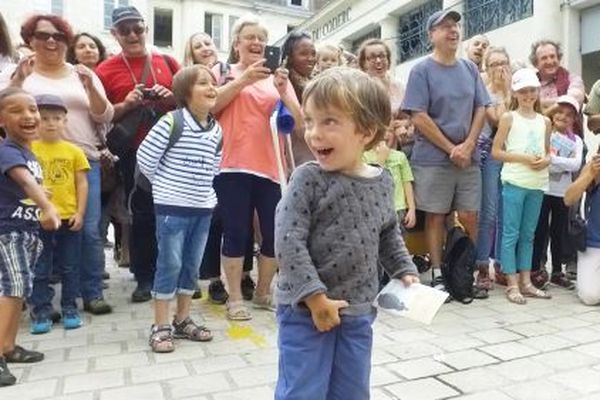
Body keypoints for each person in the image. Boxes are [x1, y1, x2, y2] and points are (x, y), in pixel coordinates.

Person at [274, 67, 419, 399]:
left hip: (357, 310)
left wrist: (404, 270)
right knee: (303, 390)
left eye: (329, 122)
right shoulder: (307, 179)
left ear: (366, 131)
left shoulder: (382, 180)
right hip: (304, 310)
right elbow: (287, 239)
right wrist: (314, 296)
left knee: (352, 391)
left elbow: (387, 233)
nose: (313, 134)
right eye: (310, 121)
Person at [11, 13, 114, 314]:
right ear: (30, 40)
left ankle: (92, 293)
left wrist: (91, 87)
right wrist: (17, 81)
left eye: (58, 36)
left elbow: (104, 116)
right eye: (43, 36)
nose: (51, 41)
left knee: (89, 229)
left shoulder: (81, 72)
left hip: (82, 160)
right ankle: (37, 301)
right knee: (36, 230)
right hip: (33, 163)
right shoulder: (23, 73)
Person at [212, 16, 301, 320]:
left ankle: (263, 292)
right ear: (236, 44)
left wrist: (284, 89)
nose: (256, 43)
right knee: (235, 231)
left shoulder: (276, 79)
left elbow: (300, 122)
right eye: (249, 37)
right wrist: (242, 81)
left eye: (261, 39)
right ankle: (234, 297)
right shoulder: (223, 72)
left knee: (276, 234)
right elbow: (210, 107)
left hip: (272, 168)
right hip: (232, 165)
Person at [95, 6, 180, 303]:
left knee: (173, 214)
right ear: (115, 34)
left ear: (146, 30)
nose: (133, 34)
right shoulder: (103, 71)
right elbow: (98, 117)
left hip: (172, 151)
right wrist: (127, 104)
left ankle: (173, 272)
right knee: (141, 215)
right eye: (125, 29)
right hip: (134, 154)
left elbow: (190, 102)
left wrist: (172, 97)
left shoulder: (168, 61)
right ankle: (145, 277)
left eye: (138, 28)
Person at [402, 10, 490, 287]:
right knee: (436, 214)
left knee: (469, 215)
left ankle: (466, 269)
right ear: (431, 36)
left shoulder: (470, 69)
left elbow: (481, 107)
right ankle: (439, 273)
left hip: (468, 157)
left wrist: (469, 144)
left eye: (455, 26)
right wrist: (452, 148)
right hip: (433, 159)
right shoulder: (421, 71)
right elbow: (418, 115)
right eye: (444, 27)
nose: (453, 31)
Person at [137, 65, 221, 352]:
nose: (211, 87)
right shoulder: (172, 122)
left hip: (202, 208)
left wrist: (205, 194)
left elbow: (214, 166)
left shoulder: (216, 129)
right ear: (185, 93)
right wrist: (165, 187)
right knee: (169, 264)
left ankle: (182, 319)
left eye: (213, 83)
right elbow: (145, 158)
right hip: (172, 208)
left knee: (191, 265)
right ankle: (160, 325)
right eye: (203, 83)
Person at [0, 87, 61, 386]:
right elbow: (24, 181)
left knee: (19, 290)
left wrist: (40, 197)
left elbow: (23, 187)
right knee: (11, 290)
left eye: (32, 109)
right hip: (7, 233)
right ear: (1, 120)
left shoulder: (27, 151)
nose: (28, 115)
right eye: (16, 110)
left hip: (25, 232)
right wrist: (46, 204)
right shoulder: (7, 150)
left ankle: (8, 347)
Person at [29, 94, 89, 334]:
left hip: (68, 218)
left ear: (65, 120)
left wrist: (80, 212)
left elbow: (82, 184)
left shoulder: (74, 151)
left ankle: (70, 308)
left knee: (70, 266)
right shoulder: (28, 150)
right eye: (44, 118)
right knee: (40, 267)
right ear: (35, 120)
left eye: (56, 118)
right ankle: (41, 310)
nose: (51, 123)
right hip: (38, 219)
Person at [491, 68, 552, 304]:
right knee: (510, 233)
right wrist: (524, 159)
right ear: (515, 93)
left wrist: (546, 160)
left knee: (528, 234)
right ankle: (512, 283)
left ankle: (526, 282)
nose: (528, 95)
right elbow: (496, 151)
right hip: (515, 181)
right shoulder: (508, 118)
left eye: (532, 90)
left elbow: (547, 151)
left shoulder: (545, 121)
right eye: (523, 91)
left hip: (537, 184)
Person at [530, 95, 583, 289]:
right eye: (560, 111)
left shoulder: (576, 140)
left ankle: (557, 272)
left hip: (562, 193)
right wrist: (556, 163)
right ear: (553, 113)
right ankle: (535, 269)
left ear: (574, 120)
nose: (563, 116)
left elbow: (575, 163)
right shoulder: (546, 133)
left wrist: (552, 160)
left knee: (559, 232)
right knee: (540, 230)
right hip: (543, 189)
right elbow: (541, 159)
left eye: (569, 115)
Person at [474, 47, 512, 290]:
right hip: (488, 153)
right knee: (488, 213)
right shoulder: (485, 92)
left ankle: (501, 264)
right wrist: (502, 91)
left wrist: (508, 92)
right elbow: (498, 121)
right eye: (494, 64)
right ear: (486, 68)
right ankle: (481, 267)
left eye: (503, 63)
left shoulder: (515, 92)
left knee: (505, 213)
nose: (500, 68)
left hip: (510, 155)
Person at [564, 144, 600, 306]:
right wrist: (590, 175)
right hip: (594, 243)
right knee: (589, 297)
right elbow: (569, 199)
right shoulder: (593, 167)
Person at [282, 31, 316, 165]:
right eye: (304, 53)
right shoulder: (283, 84)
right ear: (289, 57)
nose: (310, 58)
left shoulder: (317, 84)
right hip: (295, 160)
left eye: (313, 53)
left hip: (316, 154)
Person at [357, 38, 404, 110]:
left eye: (382, 56)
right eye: (372, 57)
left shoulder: (399, 85)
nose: (378, 61)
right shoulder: (360, 90)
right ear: (363, 63)